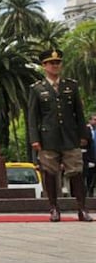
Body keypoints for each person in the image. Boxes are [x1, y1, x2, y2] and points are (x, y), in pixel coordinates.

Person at [27, 49, 92, 222]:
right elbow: (33, 117)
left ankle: (81, 209)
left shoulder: (71, 86)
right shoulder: (37, 89)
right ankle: (53, 208)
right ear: (44, 66)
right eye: (51, 63)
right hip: (48, 138)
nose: (55, 66)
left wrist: (83, 135)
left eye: (57, 63)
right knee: (49, 173)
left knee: (76, 172)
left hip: (70, 137)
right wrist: (34, 139)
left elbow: (79, 112)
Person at [85, 114, 96, 197]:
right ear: (90, 120)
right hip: (89, 159)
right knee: (89, 177)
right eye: (94, 119)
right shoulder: (86, 130)